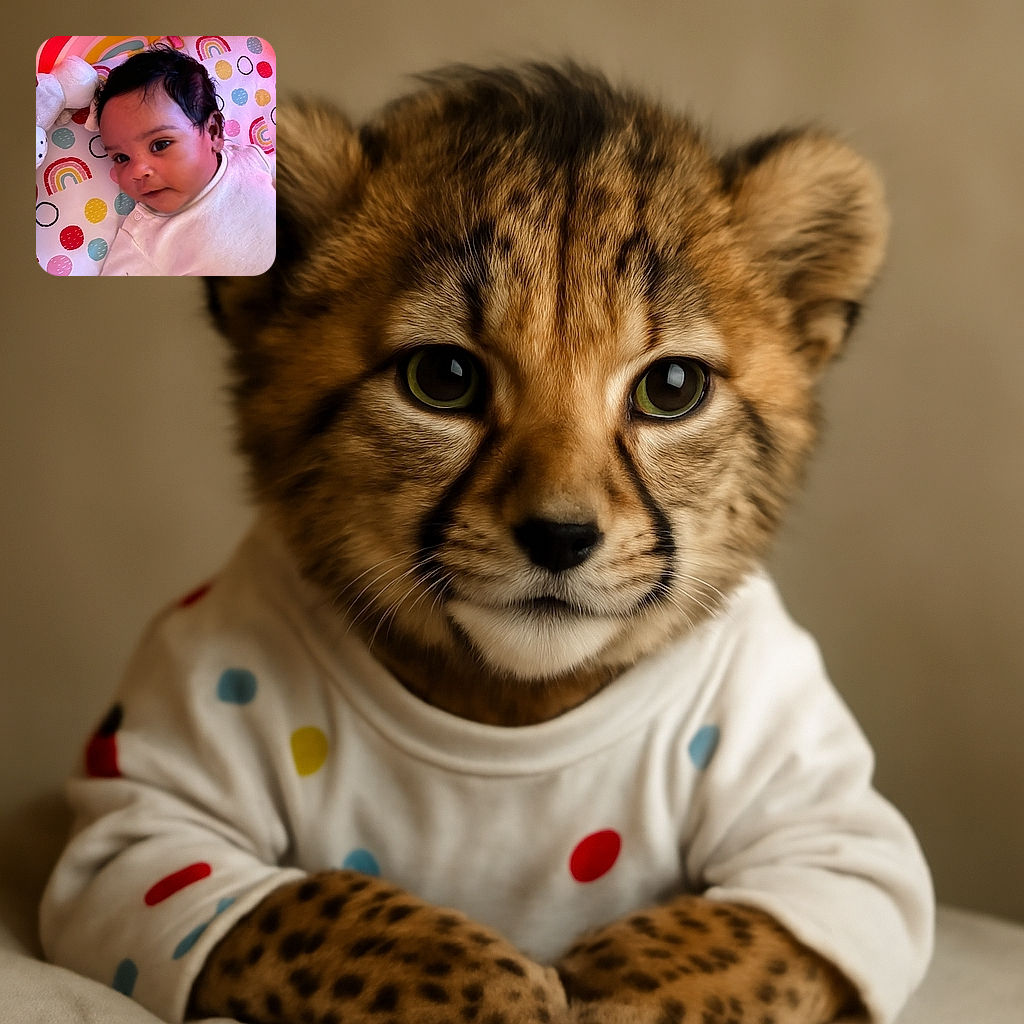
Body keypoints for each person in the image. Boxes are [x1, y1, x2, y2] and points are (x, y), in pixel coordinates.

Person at [97, 46, 275, 276]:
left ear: (213, 132)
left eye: (160, 144)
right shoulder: (143, 241)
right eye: (121, 158)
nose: (138, 171)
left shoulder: (250, 161)